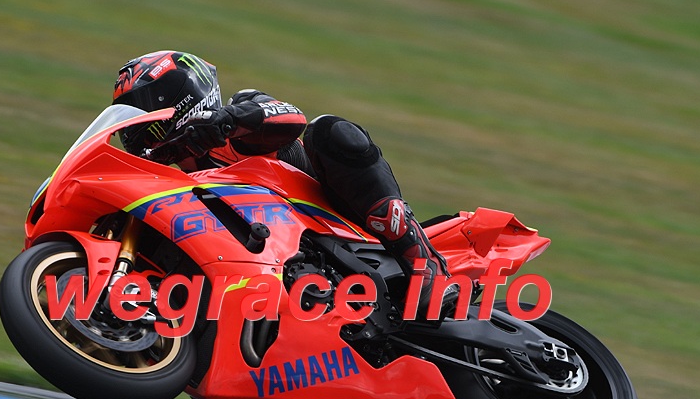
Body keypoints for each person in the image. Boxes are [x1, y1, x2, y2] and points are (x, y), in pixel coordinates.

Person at [112, 50, 456, 320]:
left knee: (330, 131)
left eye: (144, 115)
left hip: (338, 224)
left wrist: (227, 121)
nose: (136, 133)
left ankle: (423, 262)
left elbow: (293, 117)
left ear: (179, 100)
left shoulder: (238, 121)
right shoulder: (175, 189)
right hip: (281, 275)